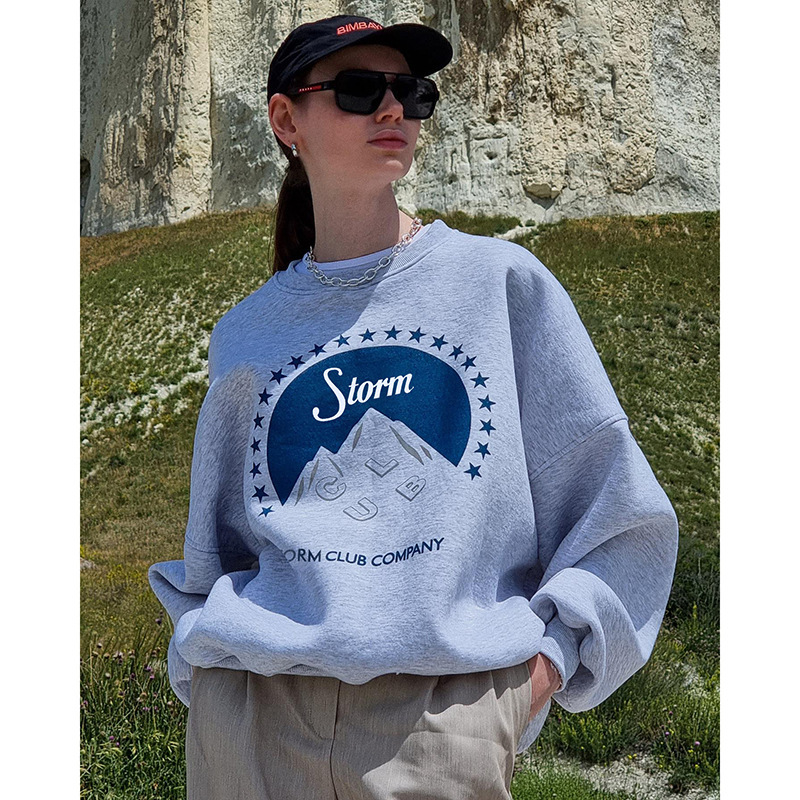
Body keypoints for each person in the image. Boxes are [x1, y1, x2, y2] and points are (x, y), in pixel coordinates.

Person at [148, 12, 680, 800]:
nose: (393, 108)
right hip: (251, 722)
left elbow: (620, 511)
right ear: (287, 120)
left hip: (440, 726)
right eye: (359, 90)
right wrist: (205, 663)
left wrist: (534, 678)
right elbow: (217, 548)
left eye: (412, 91)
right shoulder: (246, 332)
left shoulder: (499, 283)